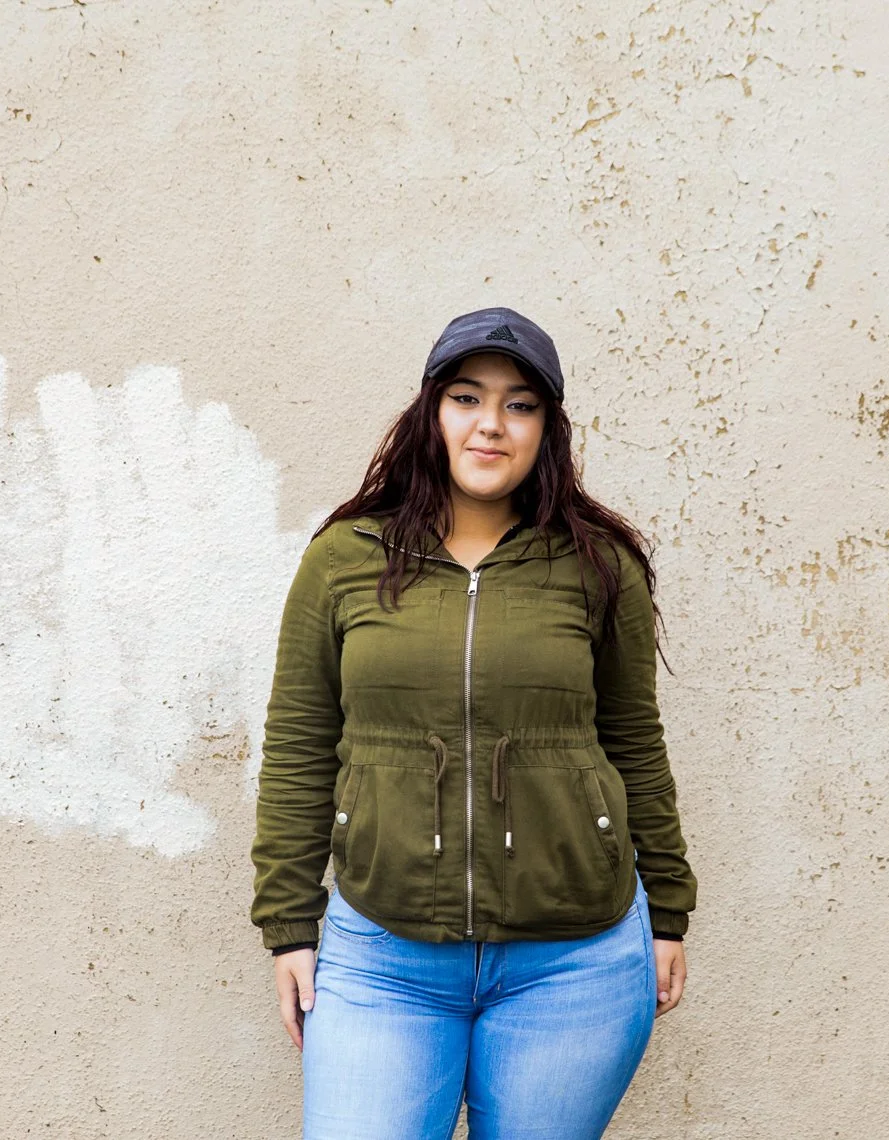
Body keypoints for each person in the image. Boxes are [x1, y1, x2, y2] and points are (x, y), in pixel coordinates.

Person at [250, 306, 698, 1139]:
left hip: (575, 961)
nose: (491, 424)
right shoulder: (346, 557)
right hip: (384, 954)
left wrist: (667, 910)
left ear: (547, 429)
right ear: (432, 413)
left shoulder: (598, 564)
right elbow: (299, 746)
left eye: (519, 403)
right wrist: (288, 924)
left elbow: (634, 741)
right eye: (466, 397)